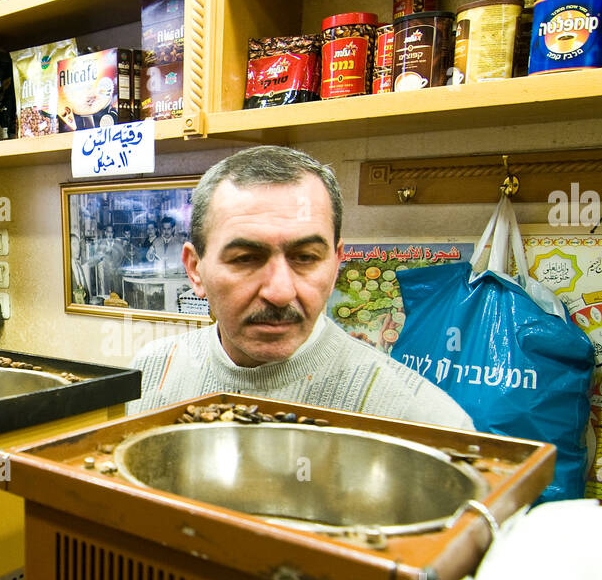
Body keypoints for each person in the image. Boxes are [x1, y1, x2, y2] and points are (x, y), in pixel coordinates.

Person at [131, 145, 474, 428]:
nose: (280, 292)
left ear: (337, 263)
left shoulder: (425, 422)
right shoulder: (152, 371)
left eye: (306, 257)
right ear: (195, 270)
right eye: (246, 258)